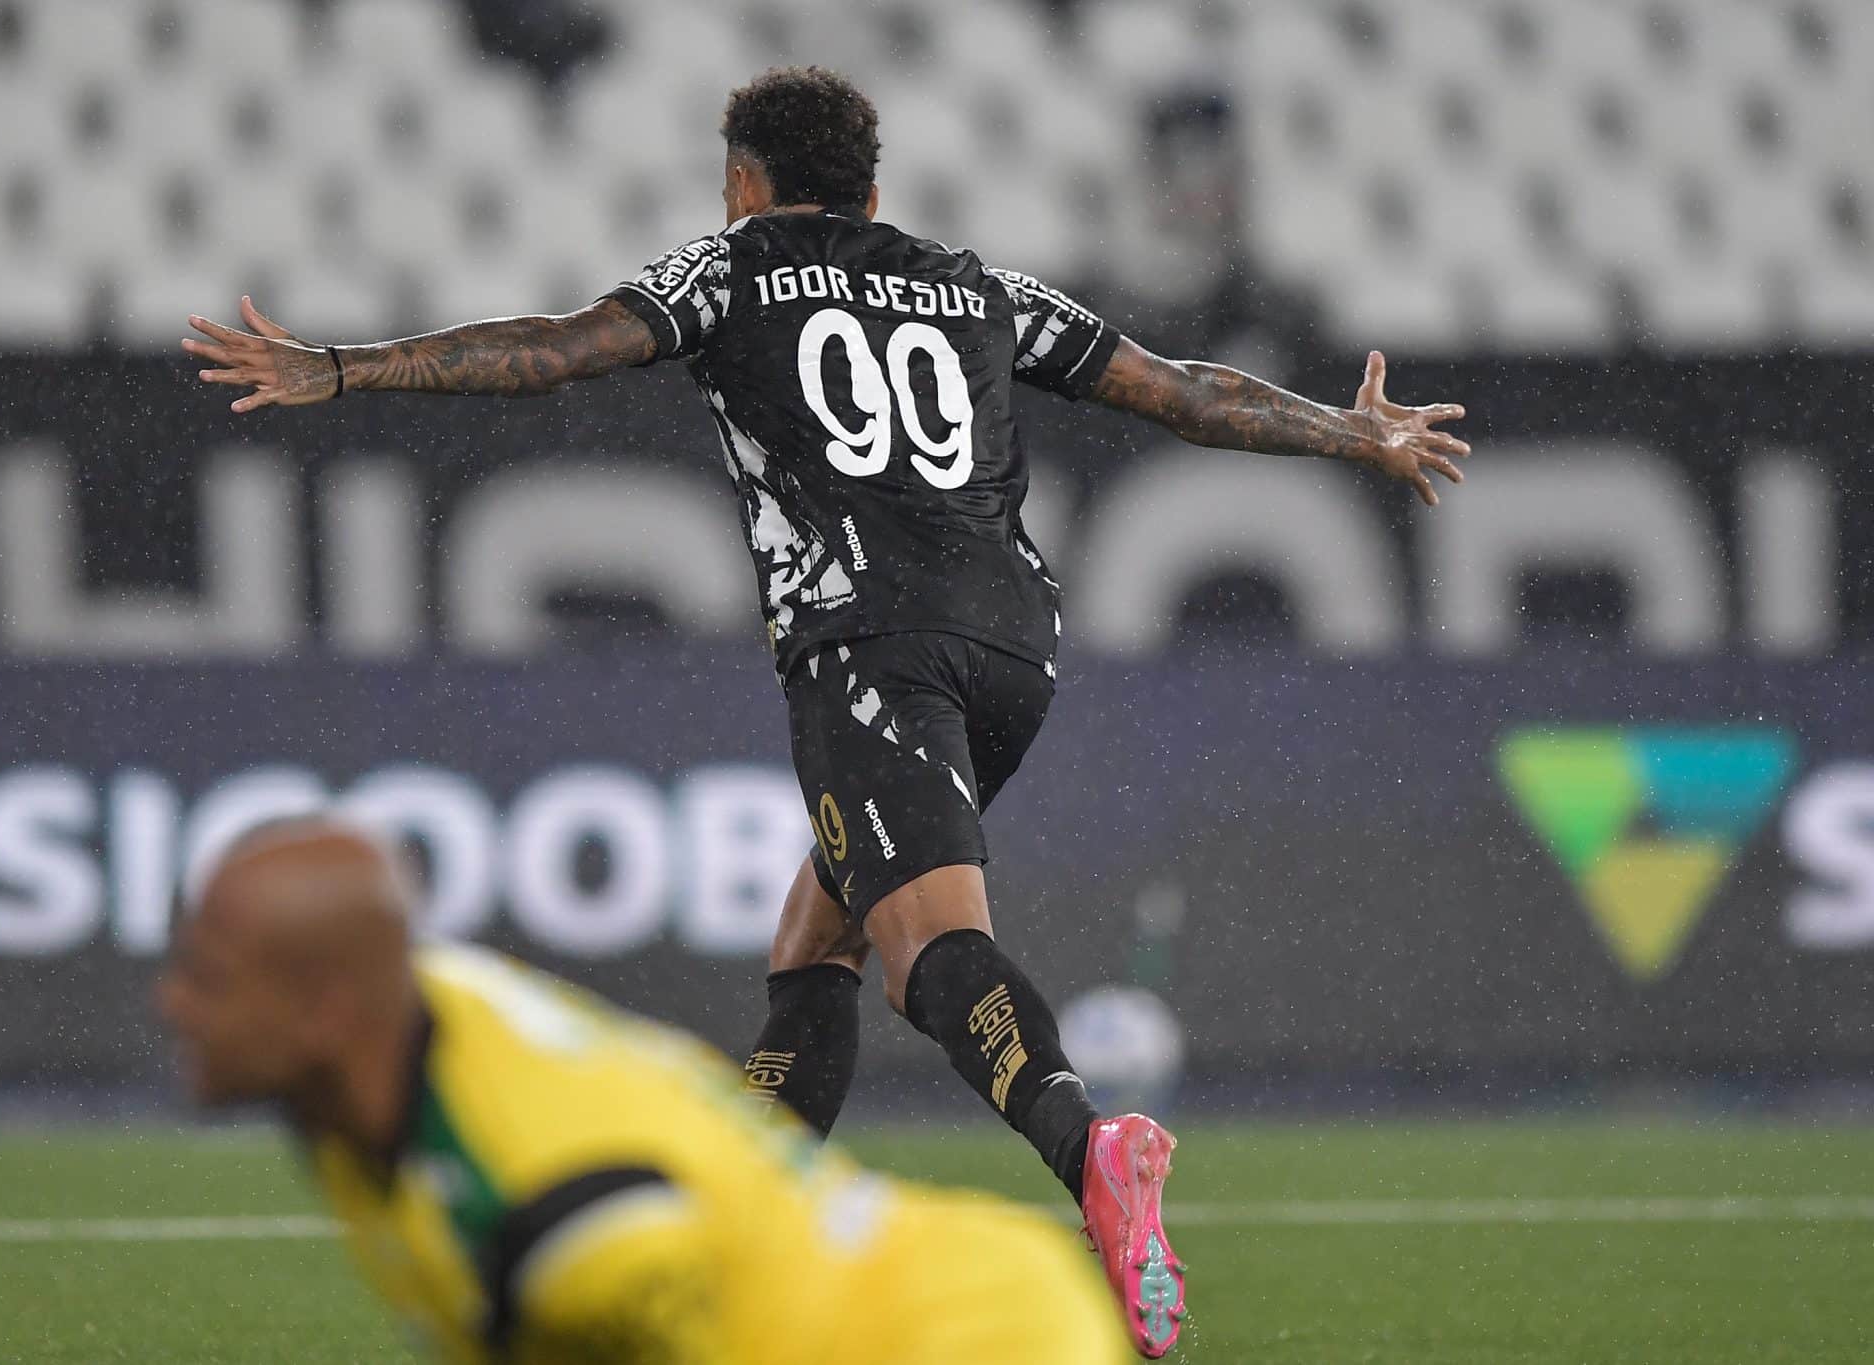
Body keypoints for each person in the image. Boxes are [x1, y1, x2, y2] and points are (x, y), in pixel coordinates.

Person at [181, 66, 1469, 1357]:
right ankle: (747, 1201)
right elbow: (1179, 386)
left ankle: (1090, 1145)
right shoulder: (973, 284)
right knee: (816, 947)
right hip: (1013, 650)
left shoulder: (732, 269)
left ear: (743, 180)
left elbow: (555, 349)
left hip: (868, 649)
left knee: (928, 950)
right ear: (872, 189)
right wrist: (1350, 434)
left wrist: (342, 369)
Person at [157, 818, 1132, 1364]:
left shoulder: (568, 1215)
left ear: (324, 1012)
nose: (174, 1003)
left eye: (209, 977)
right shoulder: (368, 1047)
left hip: (969, 1336)